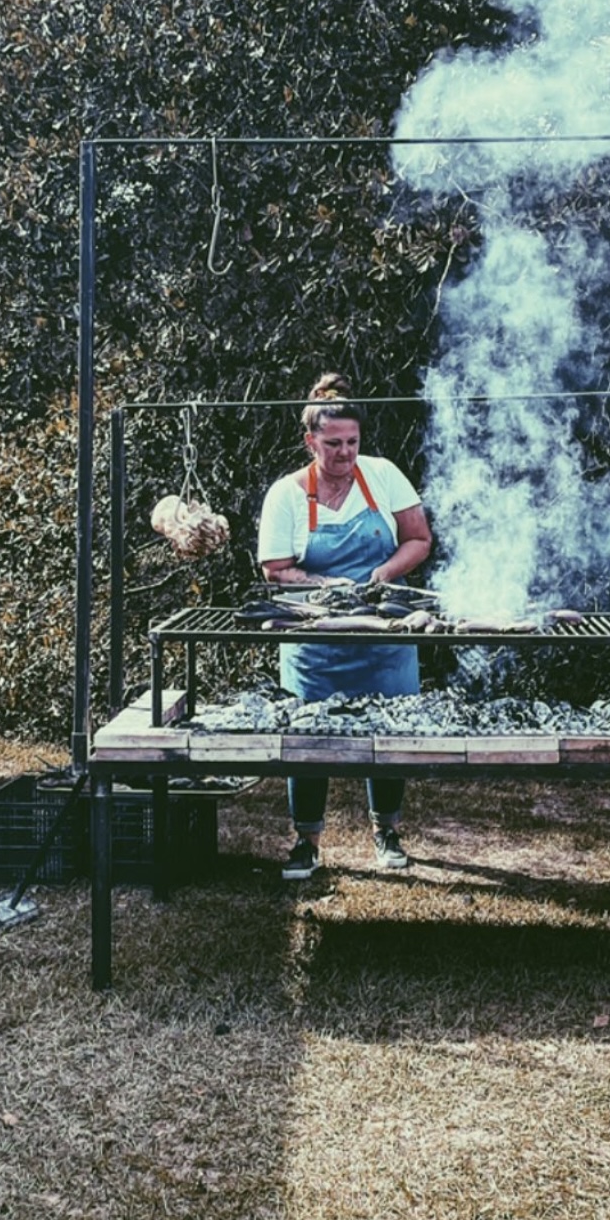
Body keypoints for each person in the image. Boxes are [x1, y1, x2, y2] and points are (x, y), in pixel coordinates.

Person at [257, 372, 432, 879]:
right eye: (332, 444)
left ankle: (388, 832)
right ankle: (306, 843)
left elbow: (418, 539)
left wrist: (381, 574)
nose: (345, 454)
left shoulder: (382, 476)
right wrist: (324, 586)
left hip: (383, 636)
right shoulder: (287, 495)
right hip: (316, 641)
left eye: (352, 442)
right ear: (310, 440)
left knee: (389, 737)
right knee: (308, 744)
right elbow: (275, 570)